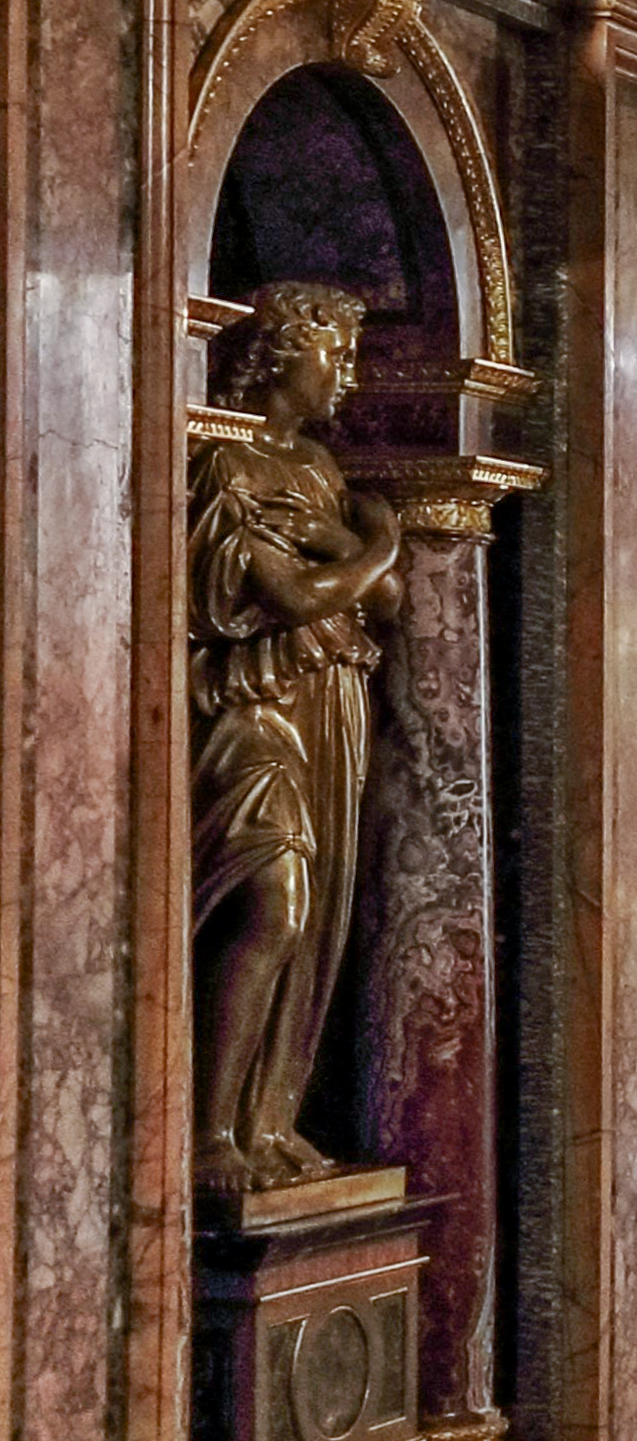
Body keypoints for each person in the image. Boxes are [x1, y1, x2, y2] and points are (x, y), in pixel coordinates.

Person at [190, 281, 405, 1194]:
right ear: (280, 354)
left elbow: (387, 608)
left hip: (332, 700)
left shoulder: (316, 469)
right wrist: (377, 540)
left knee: (314, 916)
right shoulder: (225, 464)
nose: (349, 377)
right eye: (335, 355)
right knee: (272, 897)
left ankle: (265, 1119)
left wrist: (338, 544)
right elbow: (295, 596)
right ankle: (204, 1133)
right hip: (256, 702)